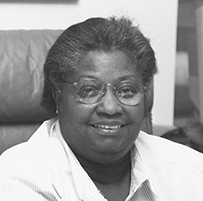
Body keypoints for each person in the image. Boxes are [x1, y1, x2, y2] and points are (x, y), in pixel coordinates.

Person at [0, 16, 203, 201]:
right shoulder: (18, 178)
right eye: (89, 90)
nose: (111, 107)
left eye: (126, 90)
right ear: (57, 96)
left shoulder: (191, 168)